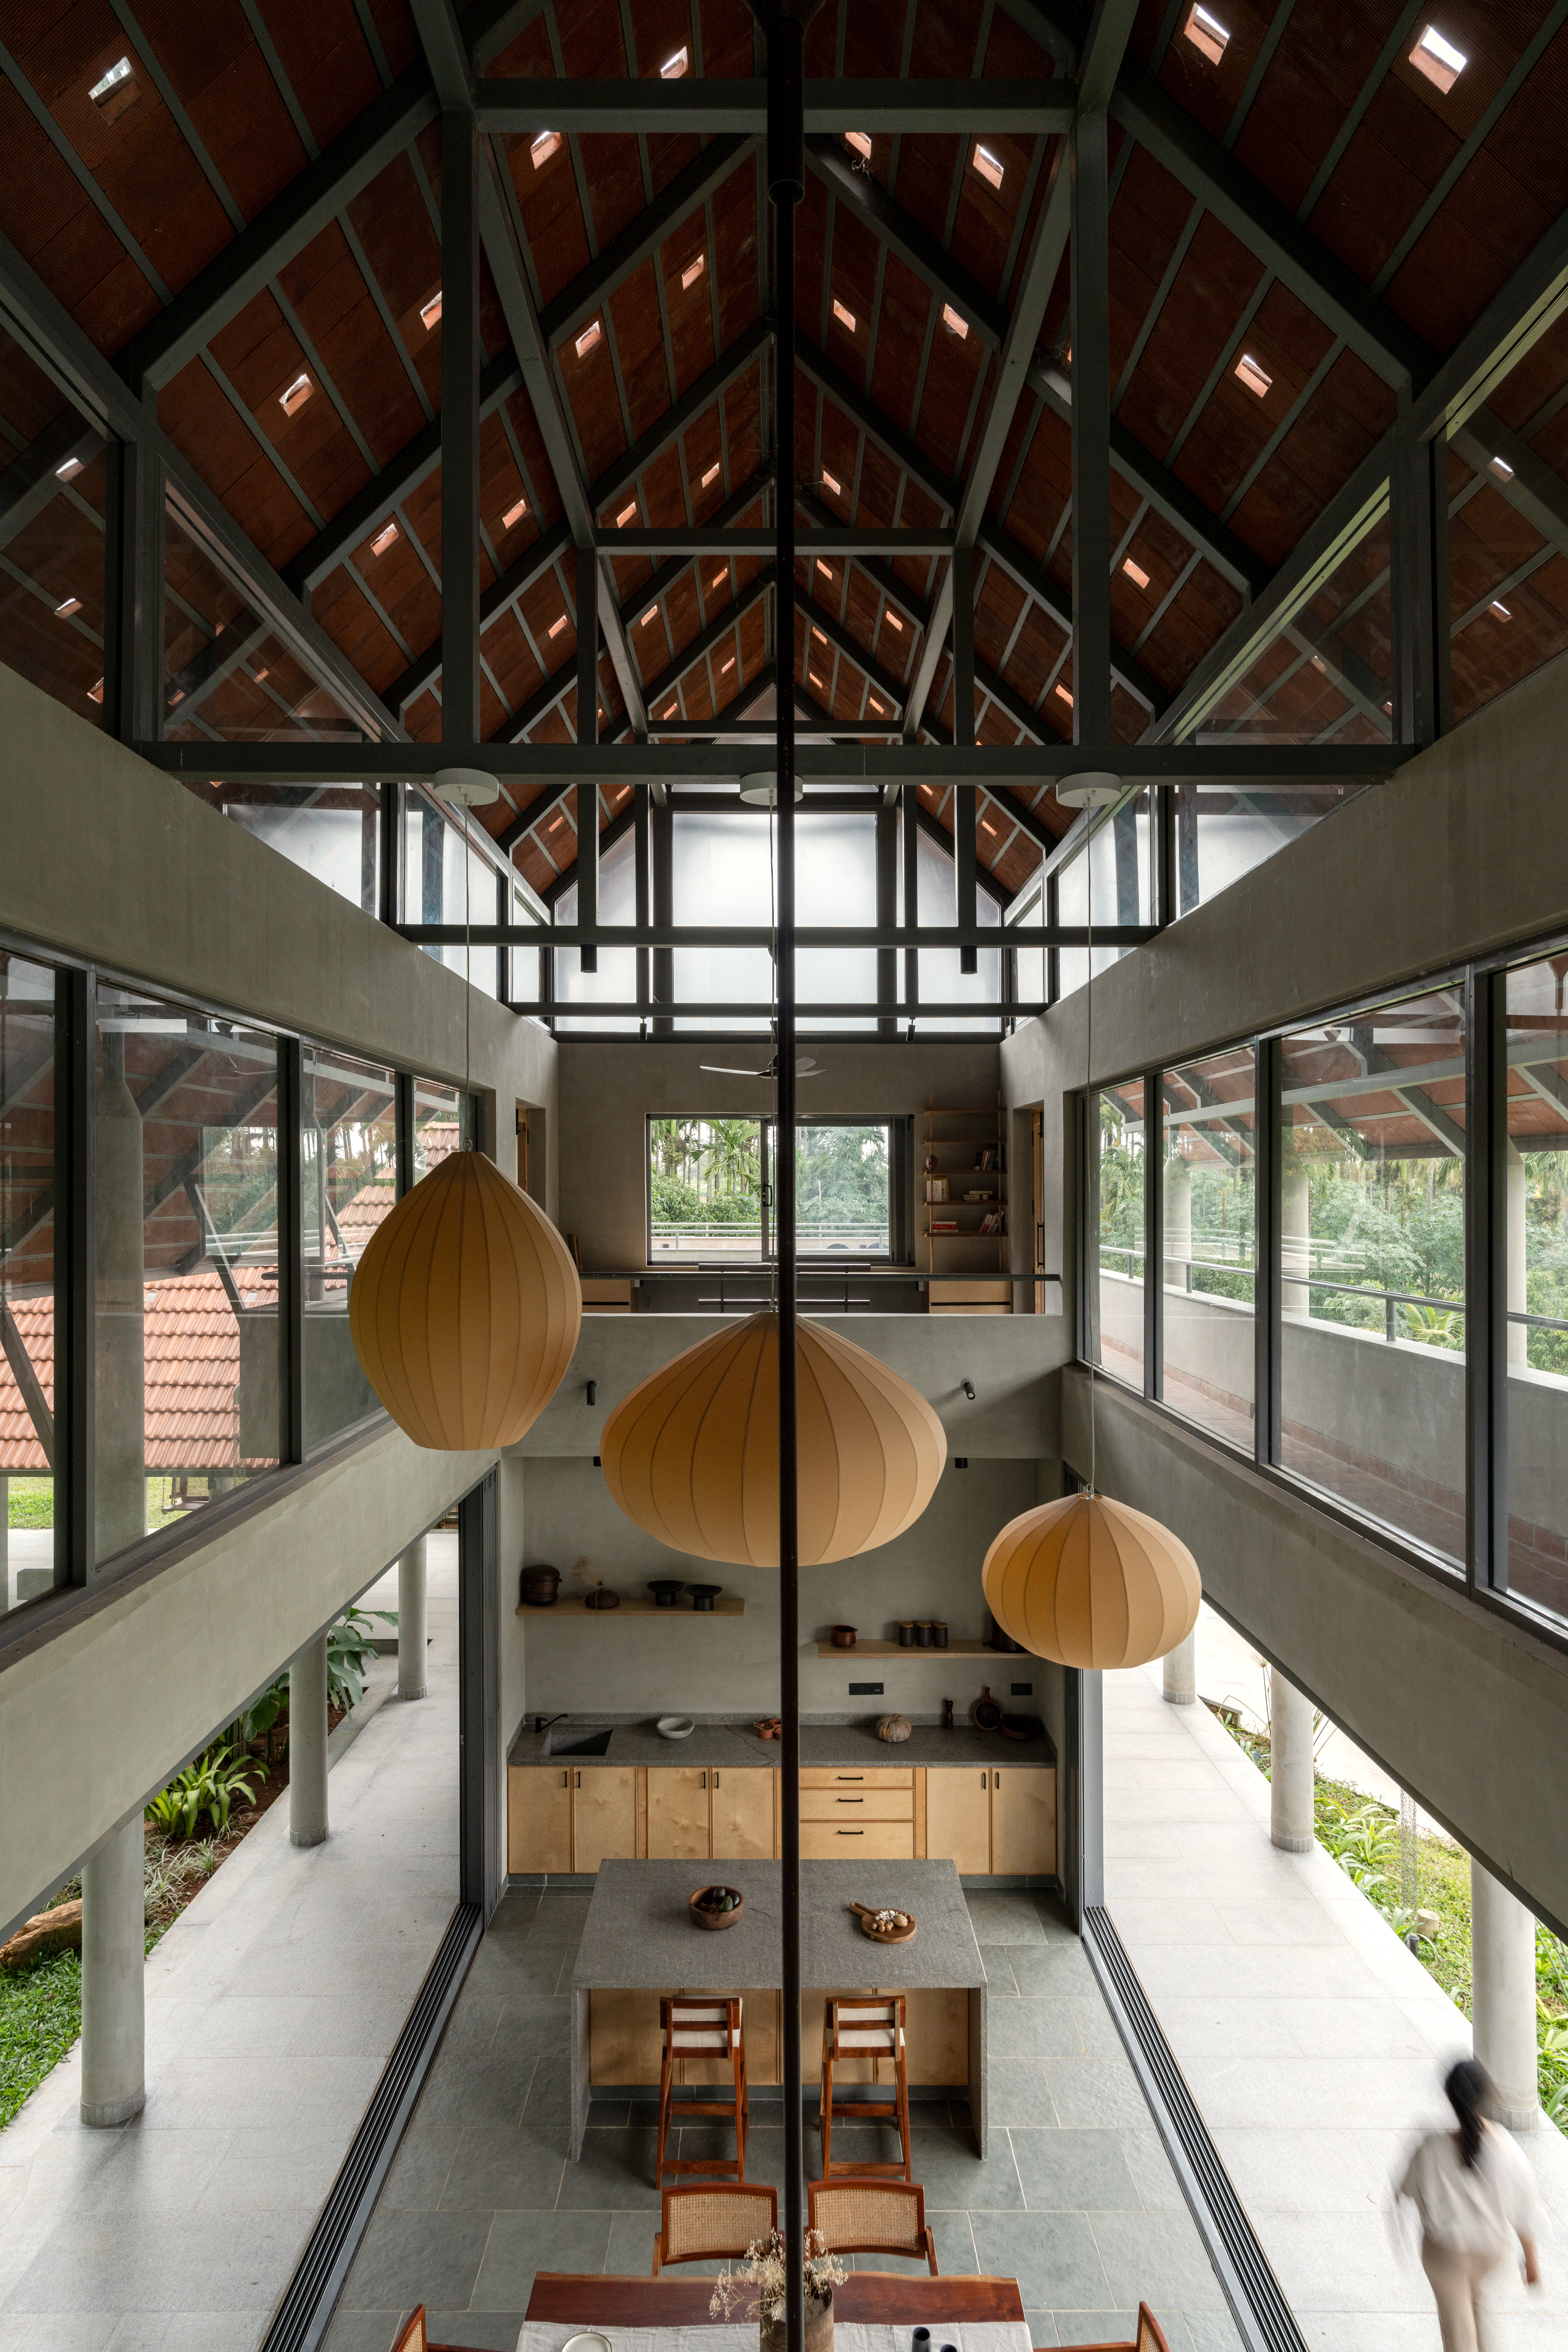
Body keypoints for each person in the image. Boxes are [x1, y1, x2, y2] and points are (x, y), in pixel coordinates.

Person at [1396, 2058, 1543, 2352]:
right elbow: (1524, 2213)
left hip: (1446, 2253)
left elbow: (1407, 2189)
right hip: (1491, 2252)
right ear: (1487, 2096)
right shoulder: (1508, 2151)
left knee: (1458, 2336)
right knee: (1474, 2309)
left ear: (1450, 2097)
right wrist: (1532, 2261)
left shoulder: (1431, 2146)